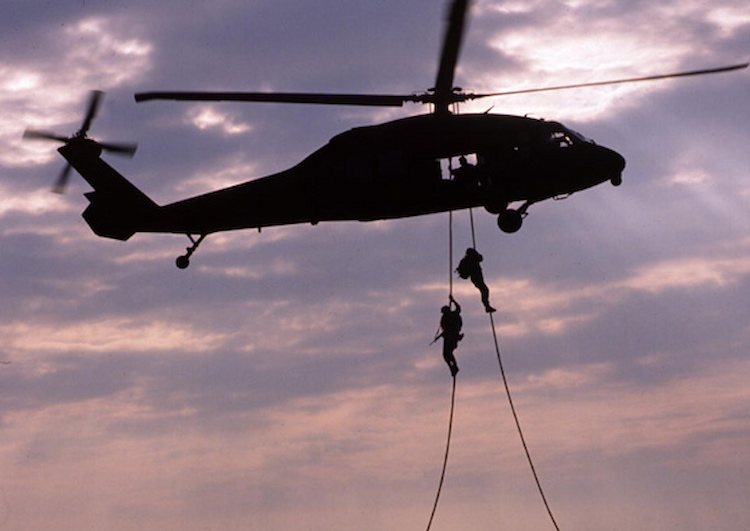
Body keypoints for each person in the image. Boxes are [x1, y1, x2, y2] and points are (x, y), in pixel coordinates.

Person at [456, 247, 496, 313]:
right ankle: (487, 306)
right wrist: (476, 254)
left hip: (477, 278)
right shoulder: (471, 260)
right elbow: (480, 258)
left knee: (484, 290)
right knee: (484, 290)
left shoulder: (469, 259)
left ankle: (487, 306)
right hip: (476, 278)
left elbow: (480, 258)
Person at [434, 295, 463, 377]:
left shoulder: (453, 315)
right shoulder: (445, 318)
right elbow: (445, 329)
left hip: (452, 337)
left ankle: (454, 367)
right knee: (446, 355)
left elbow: (458, 308)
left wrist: (453, 300)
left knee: (448, 354)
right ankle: (453, 368)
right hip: (448, 338)